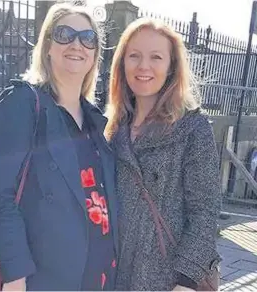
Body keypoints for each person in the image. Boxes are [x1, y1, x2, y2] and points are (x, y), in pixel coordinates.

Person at [0, 3, 118, 291]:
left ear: (94, 54)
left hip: (97, 280)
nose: (77, 44)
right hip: (40, 280)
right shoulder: (23, 103)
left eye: (88, 38)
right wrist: (15, 275)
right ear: (48, 47)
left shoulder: (94, 120)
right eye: (65, 34)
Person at [104, 17, 221, 291]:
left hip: (168, 281)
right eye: (134, 56)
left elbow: (205, 212)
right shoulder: (111, 128)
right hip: (115, 276)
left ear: (171, 67)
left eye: (156, 57)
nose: (144, 66)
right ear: (122, 64)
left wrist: (186, 280)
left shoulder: (192, 128)